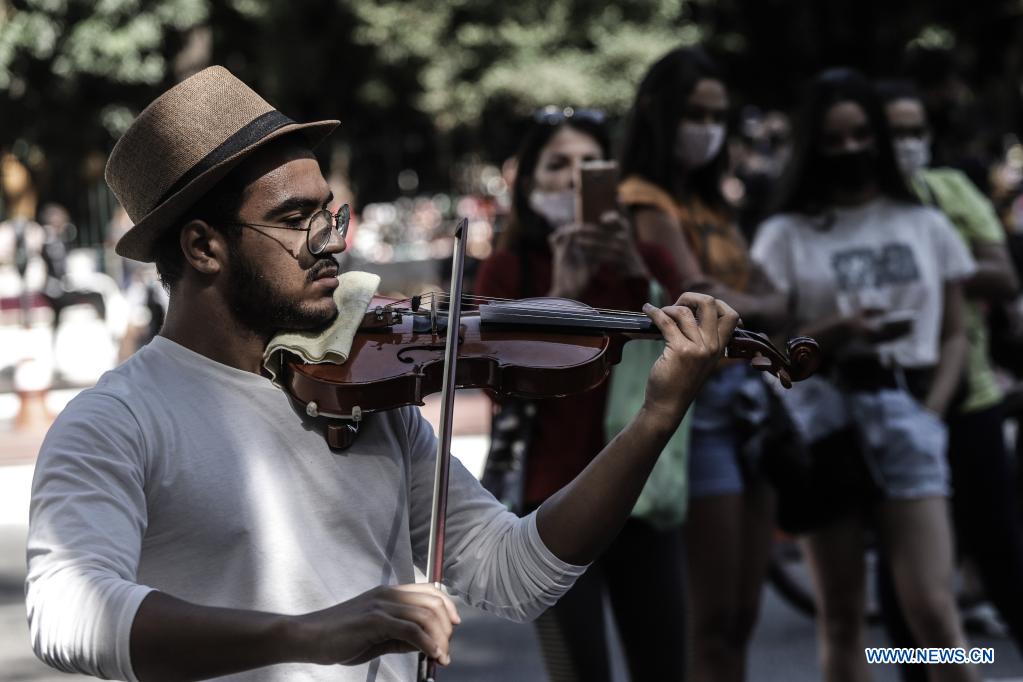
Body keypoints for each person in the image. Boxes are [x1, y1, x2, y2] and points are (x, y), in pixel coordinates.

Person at [26, 66, 737, 681]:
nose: (334, 242)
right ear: (204, 247)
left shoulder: (363, 394)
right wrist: (309, 632)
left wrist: (654, 419)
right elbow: (64, 613)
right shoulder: (117, 419)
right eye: (297, 219)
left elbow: (515, 574)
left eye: (331, 213)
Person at [751, 68, 978, 682]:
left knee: (934, 611)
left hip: (906, 409)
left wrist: (931, 409)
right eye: (834, 138)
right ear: (813, 146)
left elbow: (956, 329)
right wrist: (832, 330)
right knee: (843, 618)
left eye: (861, 135)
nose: (851, 149)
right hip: (823, 417)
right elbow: (765, 346)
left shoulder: (924, 223)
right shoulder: (784, 234)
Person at [475, 106, 687, 681]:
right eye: (558, 164)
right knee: (578, 670)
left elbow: (692, 354)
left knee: (663, 663)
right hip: (553, 502)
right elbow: (503, 391)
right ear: (529, 181)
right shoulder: (506, 271)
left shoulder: (648, 264)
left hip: (644, 494)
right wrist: (561, 297)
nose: (573, 178)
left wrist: (639, 271)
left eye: (590, 164)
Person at [618, 46, 787, 682]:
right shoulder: (642, 196)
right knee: (711, 619)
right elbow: (702, 296)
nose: (708, 128)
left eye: (718, 115)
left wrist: (752, 298)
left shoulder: (713, 201)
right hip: (703, 409)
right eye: (695, 112)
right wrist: (755, 299)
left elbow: (768, 293)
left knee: (743, 616)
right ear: (661, 114)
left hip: (752, 401)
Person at [875, 80, 1023, 671]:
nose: (907, 143)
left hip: (966, 402)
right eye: (895, 132)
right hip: (891, 411)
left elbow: (1002, 275)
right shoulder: (855, 208)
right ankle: (929, 665)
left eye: (917, 131)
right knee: (906, 583)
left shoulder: (947, 193)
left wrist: (935, 264)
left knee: (999, 556)